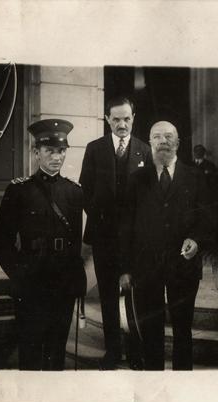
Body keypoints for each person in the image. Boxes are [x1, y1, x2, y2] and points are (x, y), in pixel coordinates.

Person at [0, 119, 86, 370]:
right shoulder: (19, 191)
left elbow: (75, 241)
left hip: (63, 284)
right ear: (36, 153)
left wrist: (76, 278)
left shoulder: (74, 192)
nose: (57, 157)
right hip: (31, 282)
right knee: (31, 353)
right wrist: (20, 273)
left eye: (61, 151)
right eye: (49, 151)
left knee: (56, 355)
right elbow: (0, 240)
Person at [119, 121, 213, 370]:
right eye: (157, 137)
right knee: (151, 331)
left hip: (183, 266)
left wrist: (197, 239)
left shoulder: (195, 177)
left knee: (183, 330)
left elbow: (207, 218)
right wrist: (125, 269)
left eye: (169, 136)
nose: (163, 141)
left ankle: (182, 388)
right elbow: (126, 226)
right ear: (149, 143)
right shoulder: (137, 179)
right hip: (146, 268)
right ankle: (154, 385)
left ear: (178, 143)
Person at [79, 97, 151, 370]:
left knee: (134, 297)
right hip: (104, 236)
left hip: (135, 240)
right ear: (107, 119)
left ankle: (136, 352)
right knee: (109, 296)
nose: (122, 124)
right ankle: (112, 352)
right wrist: (104, 219)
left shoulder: (144, 151)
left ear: (134, 118)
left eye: (127, 119)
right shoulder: (94, 149)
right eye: (116, 119)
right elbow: (86, 190)